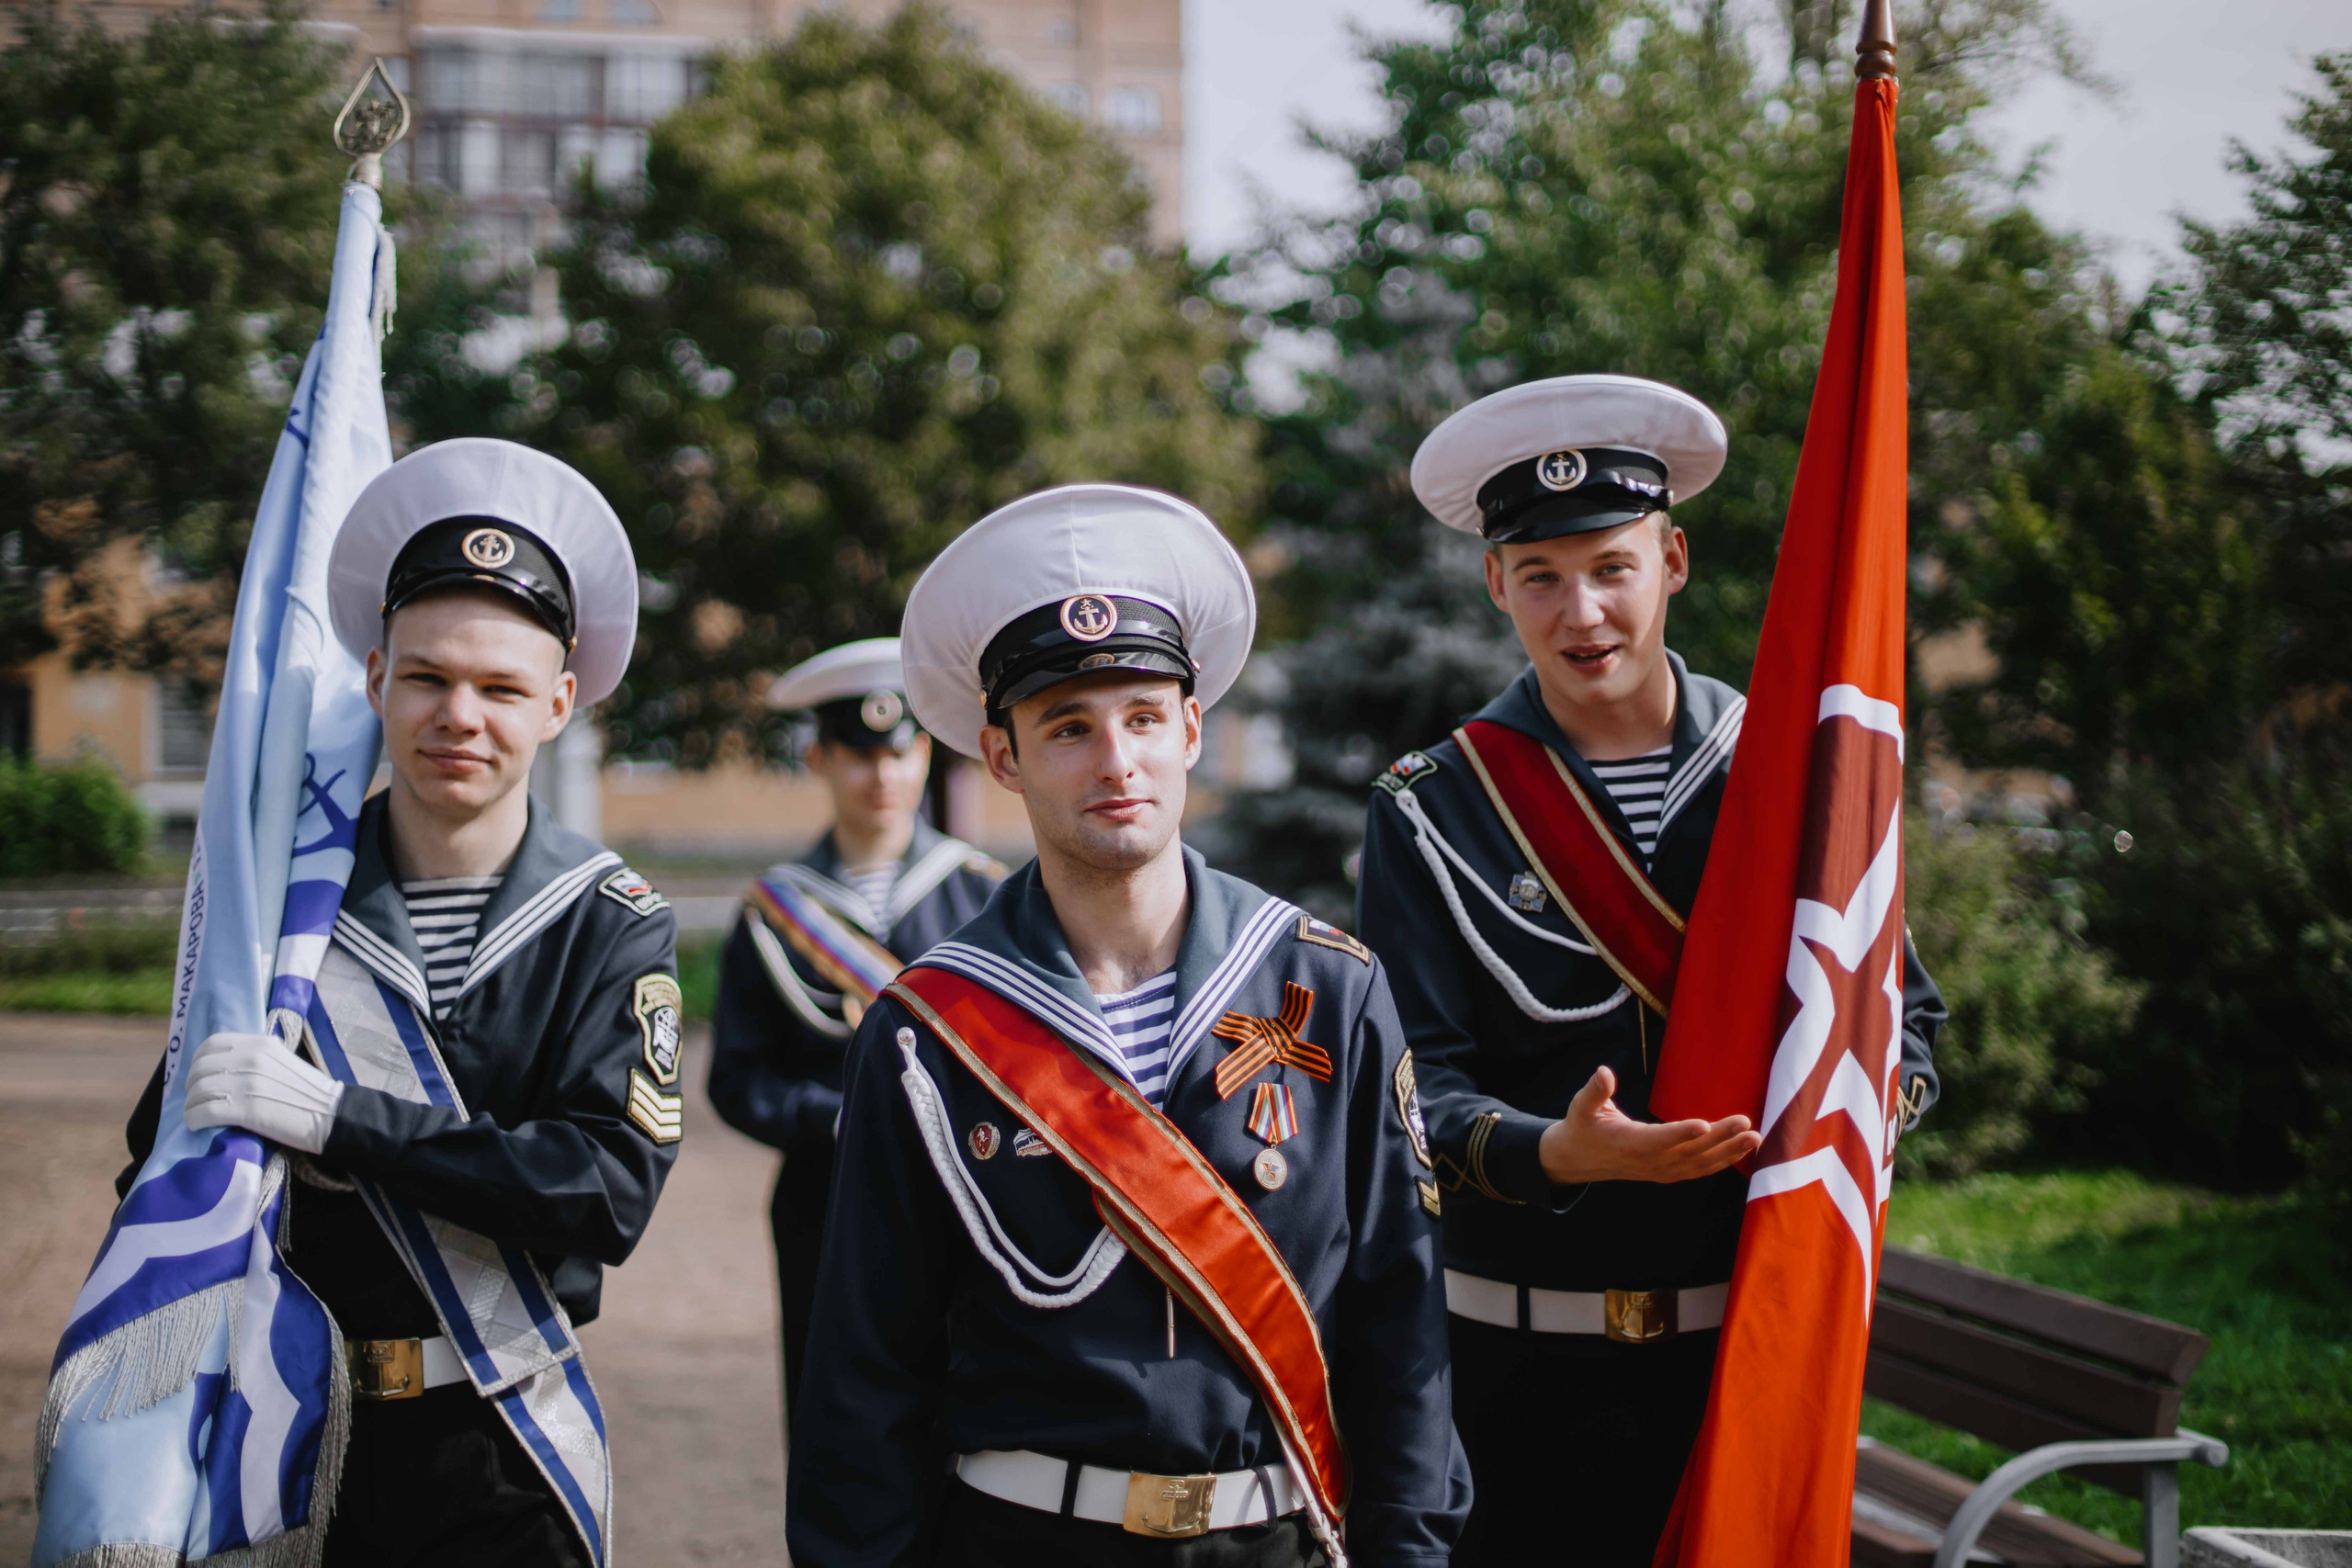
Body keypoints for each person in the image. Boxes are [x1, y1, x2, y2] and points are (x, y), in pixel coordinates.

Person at [786, 485, 1469, 1567]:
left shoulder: (1328, 986)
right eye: (1068, 727)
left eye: (1144, 717)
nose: (1116, 761)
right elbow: (863, 1371)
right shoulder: (928, 1031)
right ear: (1002, 758)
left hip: (1274, 1541)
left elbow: (1401, 1318)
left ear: (1191, 730)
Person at [1353, 375, 1946, 1567]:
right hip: (1510, 1387)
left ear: (1672, 560)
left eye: (1611, 567)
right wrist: (1554, 1152)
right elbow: (1413, 1094)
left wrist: (1852, 1114)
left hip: (1742, 1368)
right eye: (1540, 575)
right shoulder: (1433, 808)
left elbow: (1903, 1024)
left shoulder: (1790, 774)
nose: (1581, 612)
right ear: (1495, 583)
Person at [117, 439, 680, 1568]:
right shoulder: (282, 912)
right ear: (375, 680)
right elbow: (160, 1164)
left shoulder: (609, 921)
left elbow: (603, 1191)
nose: (458, 715)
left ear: (559, 703)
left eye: (501, 688)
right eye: (427, 678)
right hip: (289, 1442)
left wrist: (342, 1123)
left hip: (501, 1443)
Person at [707, 636, 1004, 1417]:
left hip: (964, 1191)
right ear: (820, 759)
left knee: (968, 1400)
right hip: (826, 1195)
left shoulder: (983, 896)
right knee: (832, 1400)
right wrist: (831, 1117)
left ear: (924, 758)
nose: (882, 776)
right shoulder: (775, 910)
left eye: (899, 754)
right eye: (858, 756)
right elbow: (736, 1076)